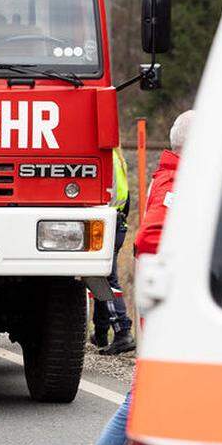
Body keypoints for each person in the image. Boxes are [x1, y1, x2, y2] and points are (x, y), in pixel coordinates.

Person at [77, 110, 192, 445]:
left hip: (166, 312)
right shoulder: (176, 184)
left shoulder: (176, 178)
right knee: (140, 400)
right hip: (168, 314)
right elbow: (151, 240)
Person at [93, 148, 135, 355]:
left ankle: (122, 331)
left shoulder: (105, 158)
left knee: (106, 279)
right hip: (118, 221)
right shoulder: (117, 156)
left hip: (108, 220)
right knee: (97, 275)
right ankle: (100, 333)